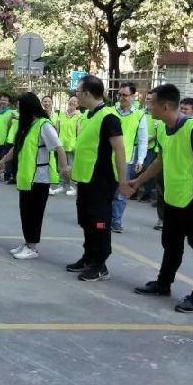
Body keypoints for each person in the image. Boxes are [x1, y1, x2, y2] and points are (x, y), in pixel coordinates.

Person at [123, 84, 193, 313]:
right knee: (171, 245)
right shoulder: (164, 129)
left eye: (151, 103)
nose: (148, 107)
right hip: (173, 199)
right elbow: (161, 160)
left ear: (165, 106)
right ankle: (163, 283)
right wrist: (139, 181)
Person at [0, 93, 67, 260]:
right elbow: (16, 148)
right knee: (25, 212)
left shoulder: (44, 125)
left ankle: (32, 248)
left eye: (21, 107)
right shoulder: (27, 126)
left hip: (40, 178)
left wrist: (64, 169)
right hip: (26, 177)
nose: (19, 110)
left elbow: (58, 147)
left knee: (34, 214)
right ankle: (27, 243)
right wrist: (2, 162)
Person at [66, 75, 126, 282]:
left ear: (87, 94)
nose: (76, 96)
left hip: (101, 180)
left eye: (78, 92)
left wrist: (123, 181)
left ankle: (100, 264)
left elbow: (120, 150)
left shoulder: (109, 117)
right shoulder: (88, 116)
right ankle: (89, 256)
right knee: (86, 220)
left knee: (99, 222)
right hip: (85, 178)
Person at [111, 83, 148, 233]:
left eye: (125, 95)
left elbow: (143, 139)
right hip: (108, 158)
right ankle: (102, 220)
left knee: (121, 192)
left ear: (133, 97)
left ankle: (116, 221)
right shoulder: (111, 111)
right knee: (106, 191)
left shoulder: (139, 115)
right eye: (119, 94)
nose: (121, 98)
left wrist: (140, 160)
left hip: (126, 160)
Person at [51, 95, 81, 195]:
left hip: (72, 146)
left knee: (71, 167)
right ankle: (62, 186)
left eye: (75, 101)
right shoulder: (62, 114)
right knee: (61, 167)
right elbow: (57, 129)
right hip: (61, 145)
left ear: (78, 104)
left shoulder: (79, 116)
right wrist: (55, 142)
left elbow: (79, 131)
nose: (72, 102)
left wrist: (78, 145)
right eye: (71, 100)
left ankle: (73, 186)